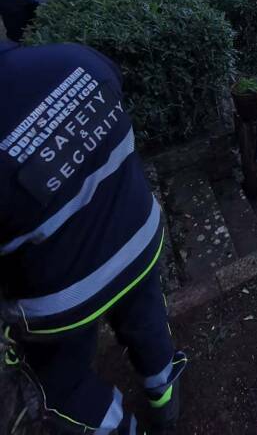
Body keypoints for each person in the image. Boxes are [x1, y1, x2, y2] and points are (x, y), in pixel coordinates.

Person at [0, 41, 186, 434]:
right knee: (147, 318)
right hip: (139, 238)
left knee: (63, 385)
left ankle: (124, 428)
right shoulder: (74, 58)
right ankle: (165, 399)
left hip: (62, 295)